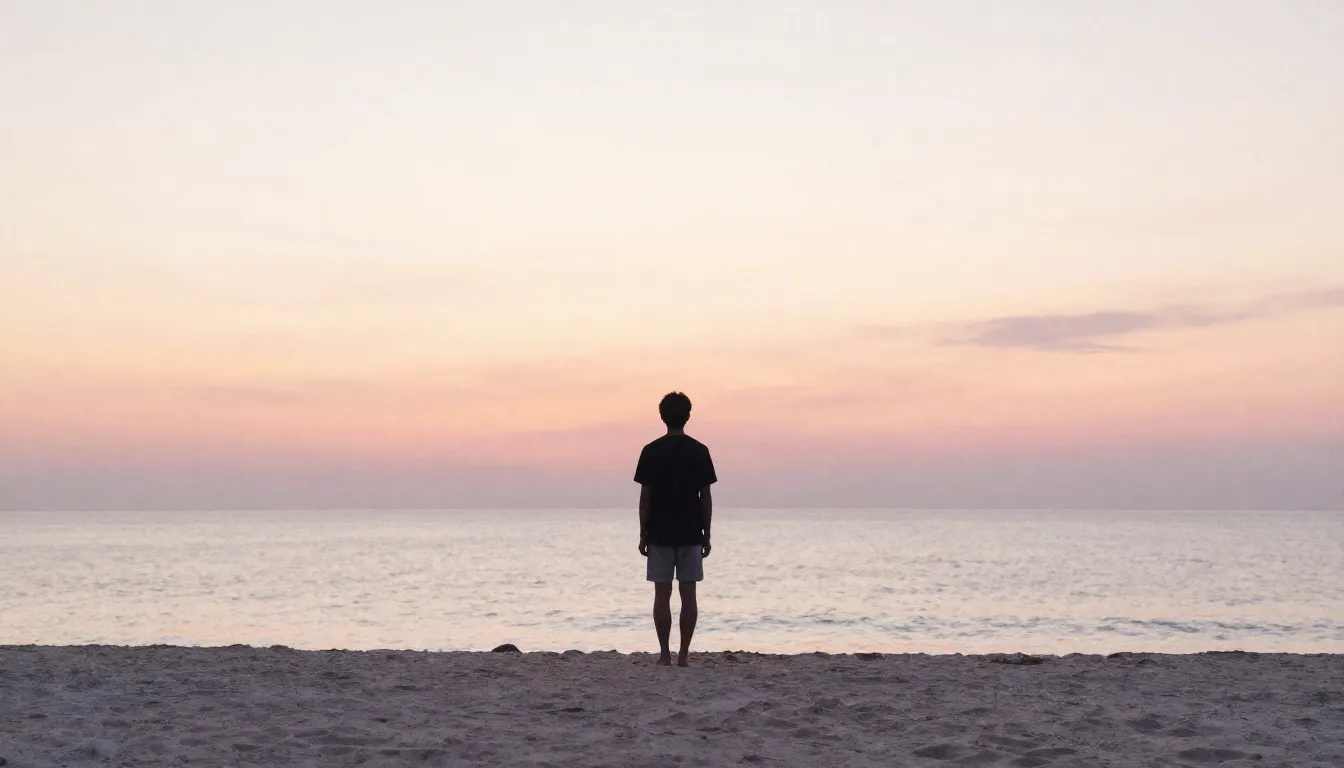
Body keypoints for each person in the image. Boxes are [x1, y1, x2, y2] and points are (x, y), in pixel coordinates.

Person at [634, 391, 717, 667]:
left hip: (659, 531)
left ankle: (664, 654)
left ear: (662, 416)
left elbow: (645, 499)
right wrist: (707, 533)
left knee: (662, 594)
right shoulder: (699, 450)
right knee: (688, 593)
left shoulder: (651, 451)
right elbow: (705, 497)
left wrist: (643, 533)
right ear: (688, 416)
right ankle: (683, 654)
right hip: (690, 530)